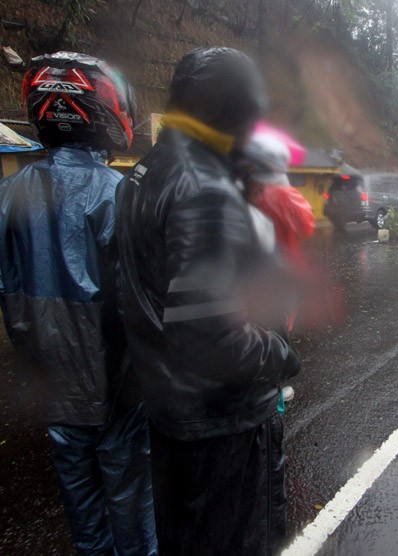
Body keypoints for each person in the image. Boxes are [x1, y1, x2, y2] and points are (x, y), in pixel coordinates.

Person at [117, 47, 300, 555]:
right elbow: (211, 339)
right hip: (225, 424)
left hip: (171, 412)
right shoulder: (204, 187)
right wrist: (281, 354)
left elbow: (142, 290)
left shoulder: (142, 173)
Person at [0, 52, 157, 555]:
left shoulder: (9, 195)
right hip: (118, 392)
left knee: (84, 517)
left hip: (54, 389)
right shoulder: (120, 194)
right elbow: (145, 300)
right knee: (133, 513)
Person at [234, 121, 317, 403]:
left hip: (246, 280)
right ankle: (274, 395)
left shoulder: (236, 189)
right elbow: (305, 223)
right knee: (276, 334)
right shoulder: (281, 193)